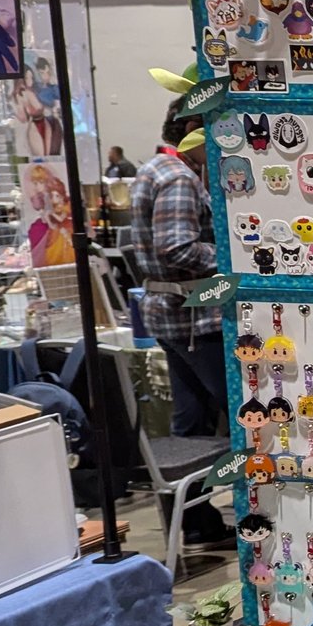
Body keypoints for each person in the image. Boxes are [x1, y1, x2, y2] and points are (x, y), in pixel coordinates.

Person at [131, 98, 230, 545]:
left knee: (191, 420)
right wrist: (235, 256)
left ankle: (194, 524)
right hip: (194, 318)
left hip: (174, 317)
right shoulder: (178, 177)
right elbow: (177, 248)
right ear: (193, 129)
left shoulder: (156, 169)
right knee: (241, 413)